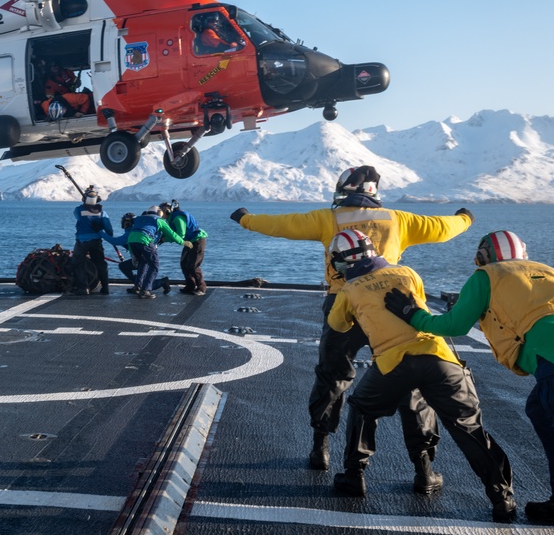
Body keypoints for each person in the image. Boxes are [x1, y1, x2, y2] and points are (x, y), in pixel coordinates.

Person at [229, 165, 474, 471]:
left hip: (344, 299)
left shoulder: (327, 219)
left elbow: (281, 224)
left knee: (332, 374)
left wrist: (245, 219)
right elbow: (443, 227)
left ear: (342, 191)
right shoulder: (399, 220)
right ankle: (423, 467)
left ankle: (321, 448)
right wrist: (465, 218)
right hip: (395, 305)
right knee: (410, 380)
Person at [328, 230, 516, 522]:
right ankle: (498, 497)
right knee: (468, 428)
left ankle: (355, 476)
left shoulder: (348, 291)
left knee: (362, 408)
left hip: (392, 363)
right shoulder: (407, 272)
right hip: (439, 357)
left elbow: (338, 325)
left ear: (341, 261)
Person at [385, 230, 554, 525]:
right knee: (538, 409)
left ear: (483, 256)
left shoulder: (487, 275)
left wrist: (411, 313)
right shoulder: (548, 271)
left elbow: (454, 324)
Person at [126, 205, 190, 299]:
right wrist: (183, 242)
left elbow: (134, 231)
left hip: (131, 242)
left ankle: (137, 286)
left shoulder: (138, 218)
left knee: (143, 263)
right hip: (145, 241)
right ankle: (145, 290)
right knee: (154, 265)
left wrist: (132, 252)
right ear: (159, 212)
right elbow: (172, 234)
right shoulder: (158, 220)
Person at [102, 212, 171, 294]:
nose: (126, 224)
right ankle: (138, 285)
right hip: (142, 258)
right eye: (125, 221)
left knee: (134, 272)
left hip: (143, 260)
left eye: (128, 222)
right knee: (123, 266)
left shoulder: (131, 233)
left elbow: (115, 241)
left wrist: (100, 232)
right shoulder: (137, 230)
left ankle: (161, 282)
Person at [68, 186, 113, 296]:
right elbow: (108, 228)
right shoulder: (102, 212)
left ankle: (83, 288)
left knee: (78, 263)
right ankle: (105, 287)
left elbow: (78, 216)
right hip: (97, 241)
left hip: (82, 241)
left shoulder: (78, 210)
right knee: (100, 263)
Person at [160, 200, 208, 295]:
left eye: (162, 210)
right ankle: (190, 286)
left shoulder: (178, 218)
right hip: (189, 241)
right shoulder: (170, 218)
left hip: (197, 240)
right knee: (184, 263)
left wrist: (164, 239)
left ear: (168, 211)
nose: (160, 213)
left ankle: (201, 288)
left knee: (193, 265)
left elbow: (180, 235)